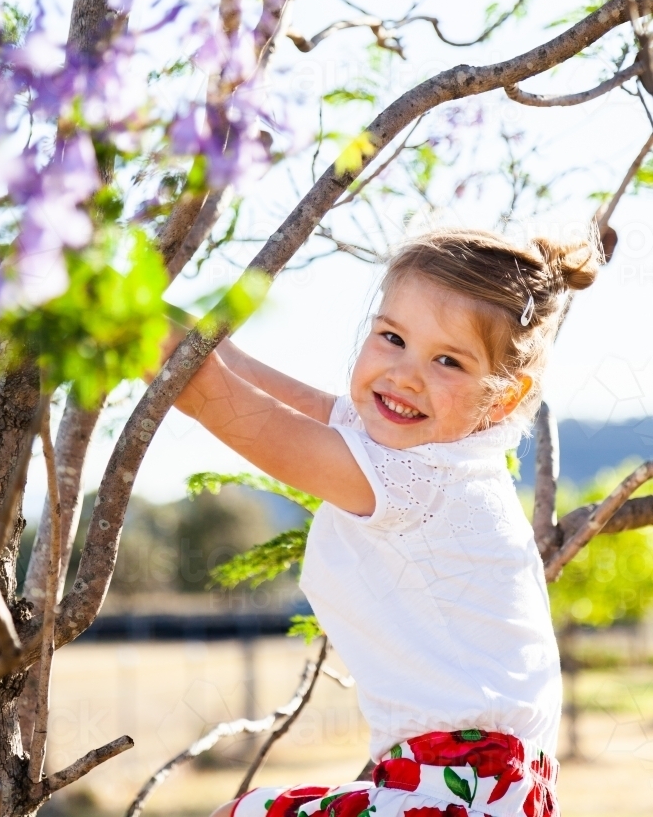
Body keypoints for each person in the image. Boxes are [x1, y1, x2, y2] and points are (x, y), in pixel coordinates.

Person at [170, 228, 601, 817]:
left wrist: (120, 327)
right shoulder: (446, 458)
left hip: (464, 785)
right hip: (489, 787)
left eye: (448, 360)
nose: (404, 375)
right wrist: (155, 311)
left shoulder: (420, 481)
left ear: (501, 399)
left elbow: (221, 401)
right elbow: (254, 378)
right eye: (392, 337)